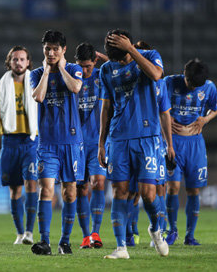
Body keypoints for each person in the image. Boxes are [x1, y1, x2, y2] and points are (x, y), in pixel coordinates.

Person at [99, 29, 169, 259]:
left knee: (148, 194)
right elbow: (106, 107)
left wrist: (131, 49)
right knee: (119, 191)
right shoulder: (107, 70)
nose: (118, 62)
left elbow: (157, 75)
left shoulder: (149, 56)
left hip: (147, 138)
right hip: (118, 138)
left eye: (122, 56)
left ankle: (156, 229)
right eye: (115, 58)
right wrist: (101, 143)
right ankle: (121, 248)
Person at [30, 30, 84, 255]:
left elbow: (75, 88)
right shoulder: (36, 73)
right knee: (46, 190)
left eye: (55, 49)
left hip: (71, 142)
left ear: (64, 50)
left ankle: (64, 241)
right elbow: (38, 96)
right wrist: (47, 72)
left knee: (70, 192)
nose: (51, 53)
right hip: (47, 143)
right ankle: (44, 241)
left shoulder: (73, 69)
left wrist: (60, 67)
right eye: (47, 49)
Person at [164, 59, 217, 246]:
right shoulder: (169, 82)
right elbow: (156, 104)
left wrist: (204, 120)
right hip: (173, 141)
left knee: (193, 189)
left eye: (197, 86)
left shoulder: (209, 87)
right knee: (172, 187)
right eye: (190, 83)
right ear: (184, 75)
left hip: (195, 144)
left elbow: (215, 109)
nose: (193, 88)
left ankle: (190, 235)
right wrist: (165, 117)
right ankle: (171, 231)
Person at [0, 46, 39, 245]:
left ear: (28, 62)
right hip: (9, 142)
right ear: (9, 62)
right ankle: (19, 233)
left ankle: (29, 231)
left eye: (22, 59)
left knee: (31, 183)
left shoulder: (36, 82)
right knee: (15, 190)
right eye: (15, 59)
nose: (18, 63)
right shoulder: (0, 86)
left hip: (30, 141)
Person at [73, 42, 109, 249]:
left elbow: (119, 65)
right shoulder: (71, 77)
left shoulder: (101, 76)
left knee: (99, 183)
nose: (84, 70)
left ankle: (96, 232)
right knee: (81, 188)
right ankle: (86, 236)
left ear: (95, 62)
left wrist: (102, 57)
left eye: (88, 66)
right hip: (76, 143)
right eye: (81, 65)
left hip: (97, 142)